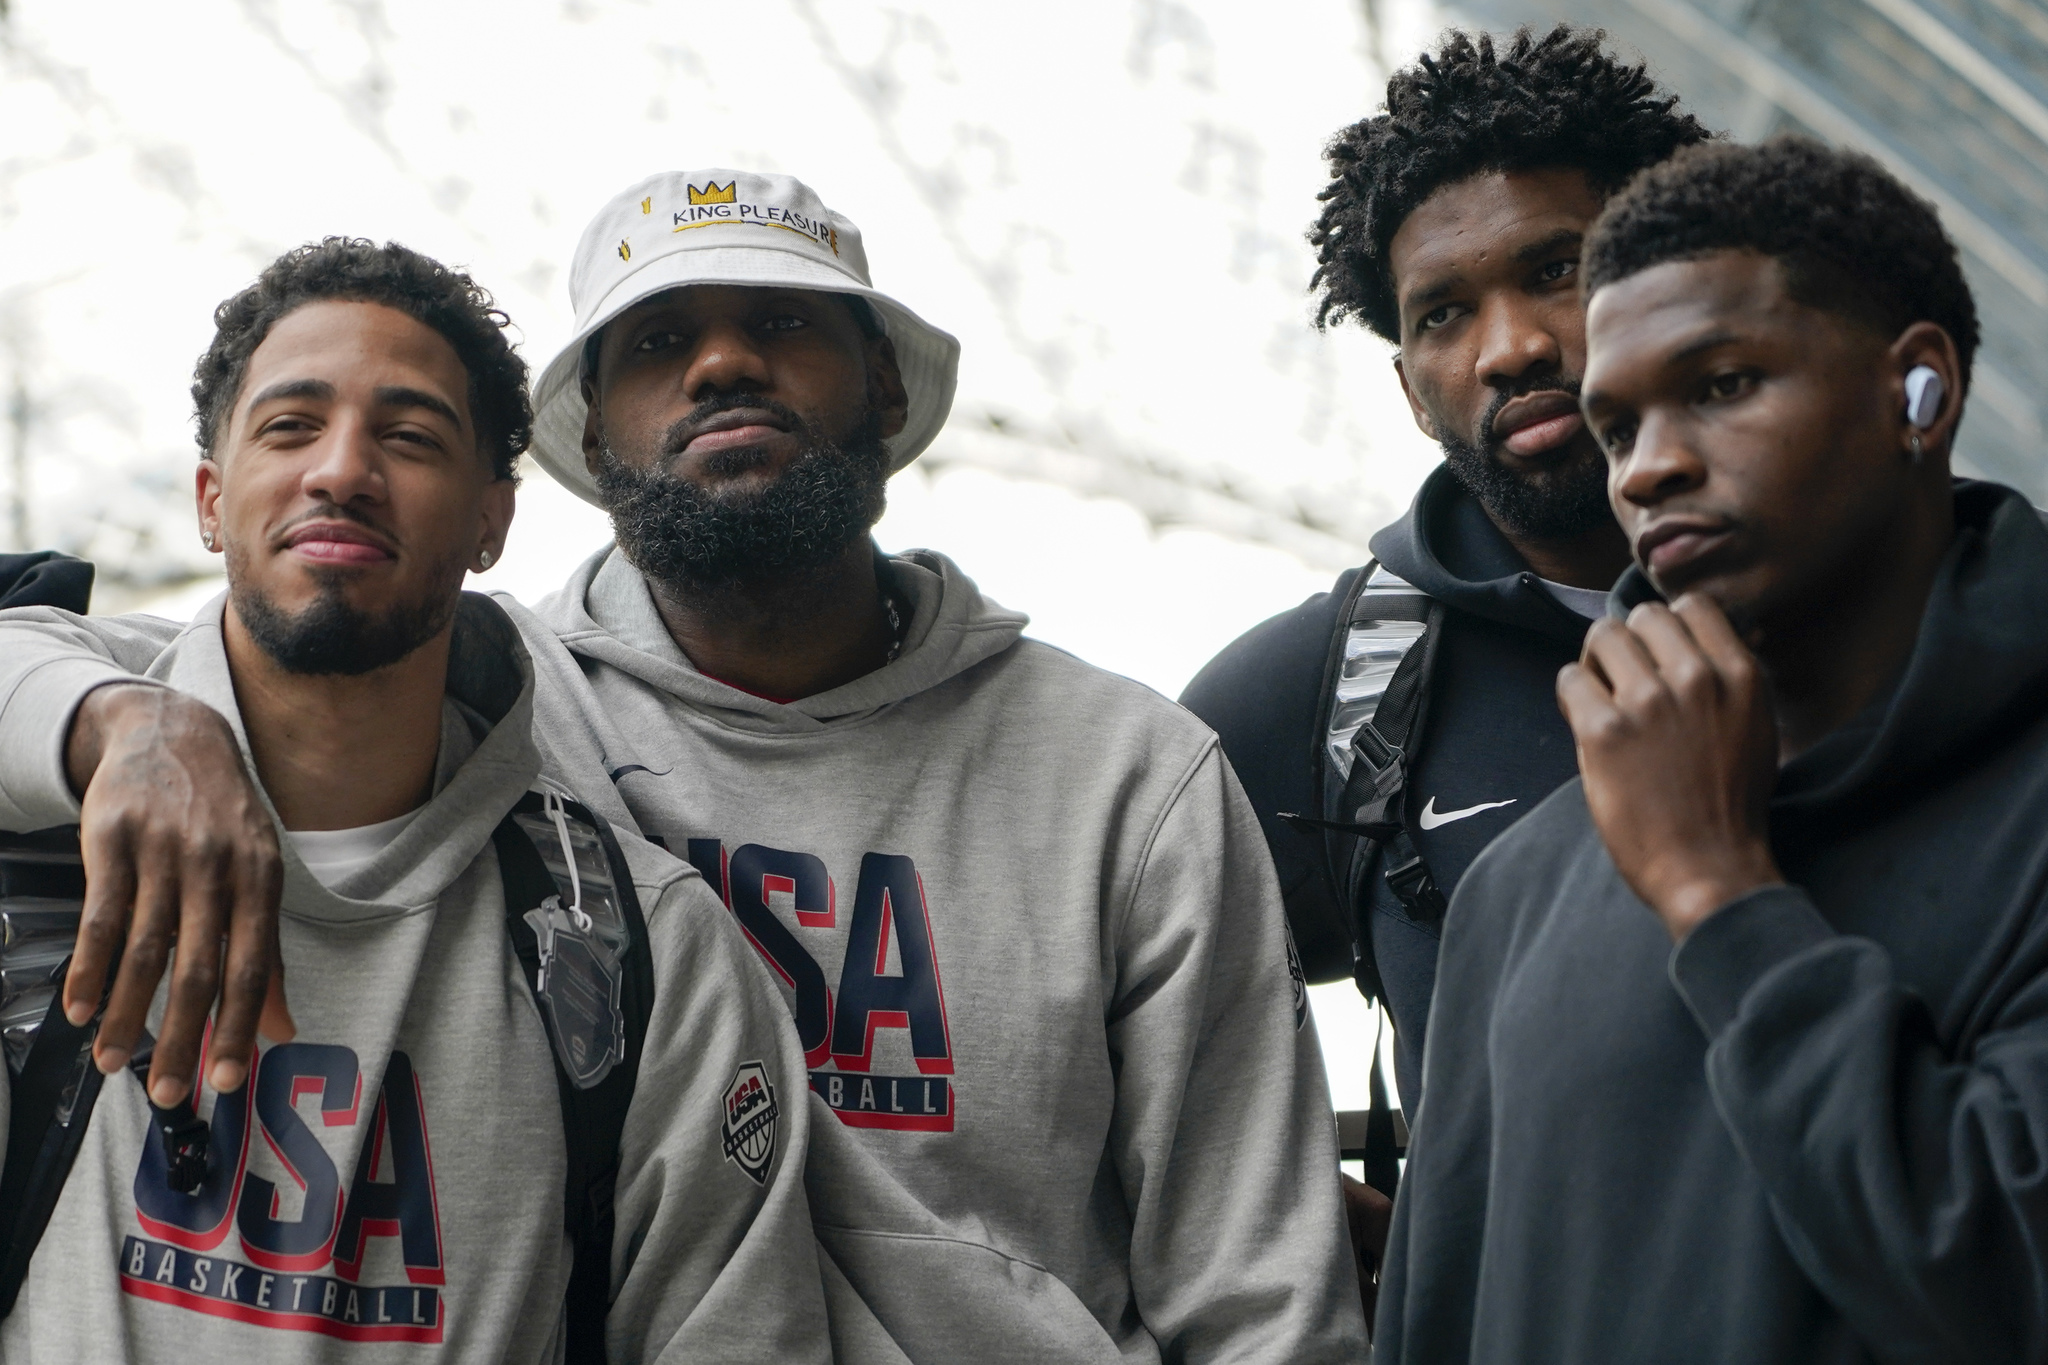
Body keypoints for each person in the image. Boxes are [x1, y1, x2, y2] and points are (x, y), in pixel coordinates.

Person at [0, 175, 1365, 1360]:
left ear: (885, 384)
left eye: (779, 322)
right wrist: (130, 724)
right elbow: (90, 648)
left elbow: (1262, 1291)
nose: (721, 366)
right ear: (586, 439)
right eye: (657, 342)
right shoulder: (472, 710)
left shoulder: (1128, 777)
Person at [0, 238, 828, 1360]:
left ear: (493, 521)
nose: (340, 469)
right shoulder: (43, 835)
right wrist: (126, 725)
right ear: (210, 499)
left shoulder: (643, 954)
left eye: (409, 434)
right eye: (290, 425)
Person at [1373, 136, 2048, 1362]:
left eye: (1722, 385)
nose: (1650, 468)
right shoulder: (1520, 890)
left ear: (1917, 390)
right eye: (1615, 424)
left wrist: (1716, 892)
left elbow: (2004, 1284)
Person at [1177, 20, 1709, 1302]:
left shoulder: (1876, 618)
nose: (1509, 345)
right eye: (1442, 314)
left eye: (1556, 269)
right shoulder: (1332, 686)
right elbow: (1064, 987)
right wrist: (1286, 1198)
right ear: (1412, 391)